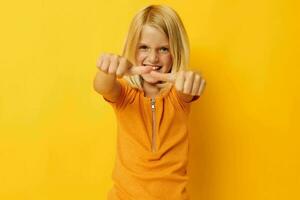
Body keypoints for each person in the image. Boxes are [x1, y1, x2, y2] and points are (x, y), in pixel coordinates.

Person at [93, 4, 206, 200]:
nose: (153, 58)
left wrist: (191, 80)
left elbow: (188, 87)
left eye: (163, 49)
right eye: (144, 47)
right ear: (132, 49)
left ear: (176, 53)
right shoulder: (125, 95)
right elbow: (102, 86)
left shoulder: (178, 97)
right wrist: (107, 69)